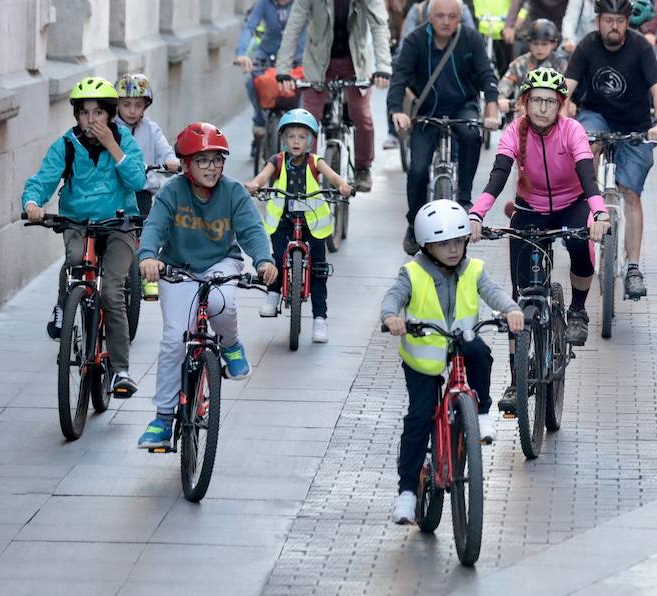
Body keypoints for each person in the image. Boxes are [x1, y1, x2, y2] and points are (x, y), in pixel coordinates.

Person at [382, 200, 525, 524]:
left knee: (482, 354)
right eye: (443, 243)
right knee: (419, 417)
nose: (452, 249)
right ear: (426, 245)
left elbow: (493, 291)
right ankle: (407, 492)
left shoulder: (472, 269)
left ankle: (483, 412)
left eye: (458, 241)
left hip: (462, 342)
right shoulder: (413, 272)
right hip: (423, 354)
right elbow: (393, 296)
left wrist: (512, 310)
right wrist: (391, 316)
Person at [135, 123, 276, 449]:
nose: (211, 167)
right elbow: (154, 226)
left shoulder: (233, 192)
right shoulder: (172, 192)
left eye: (217, 160)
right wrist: (147, 257)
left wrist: (264, 259)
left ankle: (229, 344)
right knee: (174, 338)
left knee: (221, 302)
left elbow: (251, 229)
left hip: (219, 263)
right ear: (185, 164)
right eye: (202, 160)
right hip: (177, 268)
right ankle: (163, 417)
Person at [471, 69, 610, 365]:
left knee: (579, 244)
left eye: (550, 101)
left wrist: (599, 212)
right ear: (525, 102)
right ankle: (514, 378)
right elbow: (498, 175)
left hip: (571, 204)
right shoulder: (514, 131)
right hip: (530, 209)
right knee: (517, 298)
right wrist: (476, 214)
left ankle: (577, 310)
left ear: (561, 105)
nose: (543, 108)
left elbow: (587, 177)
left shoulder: (572, 130)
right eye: (536, 101)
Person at [22, 77, 145, 398]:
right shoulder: (66, 144)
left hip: (119, 224)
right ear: (76, 116)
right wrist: (32, 203)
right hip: (78, 221)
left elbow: (137, 179)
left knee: (113, 291)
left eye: (99, 113)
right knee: (75, 261)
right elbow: (43, 179)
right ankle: (65, 306)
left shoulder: (124, 141)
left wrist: (113, 147)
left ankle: (120, 370)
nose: (91, 120)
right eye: (84, 113)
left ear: (110, 115)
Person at [564, 0, 657, 298]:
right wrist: (560, 108)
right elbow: (566, 85)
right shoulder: (587, 46)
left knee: (632, 194)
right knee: (586, 143)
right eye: (608, 20)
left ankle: (633, 267)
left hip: (635, 125)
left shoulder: (640, 47)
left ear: (627, 22)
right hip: (597, 115)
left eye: (620, 21)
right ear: (598, 21)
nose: (613, 26)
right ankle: (589, 199)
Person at [275, 0, 391, 193]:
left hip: (355, 62)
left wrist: (383, 66)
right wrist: (283, 69)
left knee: (363, 117)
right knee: (308, 120)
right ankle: (304, 172)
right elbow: (293, 28)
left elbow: (380, 27)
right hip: (319, 63)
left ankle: (362, 167)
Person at [389, 0, 501, 253]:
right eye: (440, 15)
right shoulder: (415, 40)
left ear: (460, 17)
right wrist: (397, 111)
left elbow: (487, 75)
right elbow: (399, 78)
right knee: (417, 170)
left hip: (463, 105)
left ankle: (463, 200)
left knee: (471, 134)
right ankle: (413, 223)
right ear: (429, 17)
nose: (446, 21)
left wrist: (492, 112)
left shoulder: (470, 38)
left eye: (452, 16)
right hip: (427, 110)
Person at [243, 109, 353, 342]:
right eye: (291, 136)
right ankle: (273, 294)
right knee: (277, 258)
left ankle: (319, 319)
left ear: (310, 140)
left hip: (312, 221)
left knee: (318, 269)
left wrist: (343, 185)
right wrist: (255, 183)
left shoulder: (315, 161)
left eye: (301, 137)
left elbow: (332, 177)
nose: (296, 141)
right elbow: (264, 175)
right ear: (283, 138)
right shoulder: (278, 160)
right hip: (283, 220)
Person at [113, 73, 180, 299]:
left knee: (146, 232)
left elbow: (165, 150)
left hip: (142, 191)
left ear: (145, 106)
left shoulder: (151, 128)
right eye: (126, 104)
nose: (132, 110)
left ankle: (147, 275)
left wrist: (172, 162)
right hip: (118, 190)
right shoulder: (111, 128)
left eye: (138, 105)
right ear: (117, 105)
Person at [235, 0, 305, 137]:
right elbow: (250, 26)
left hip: (296, 59)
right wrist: (242, 53)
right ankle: (259, 119)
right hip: (266, 57)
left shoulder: (302, 1)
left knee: (303, 91)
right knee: (251, 82)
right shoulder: (265, 0)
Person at [497, 18, 568, 114]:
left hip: (552, 112)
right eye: (535, 44)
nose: (539, 49)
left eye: (544, 44)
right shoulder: (519, 64)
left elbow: (568, 91)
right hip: (523, 111)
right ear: (529, 44)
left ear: (553, 44)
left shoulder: (561, 65)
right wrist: (501, 98)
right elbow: (506, 83)